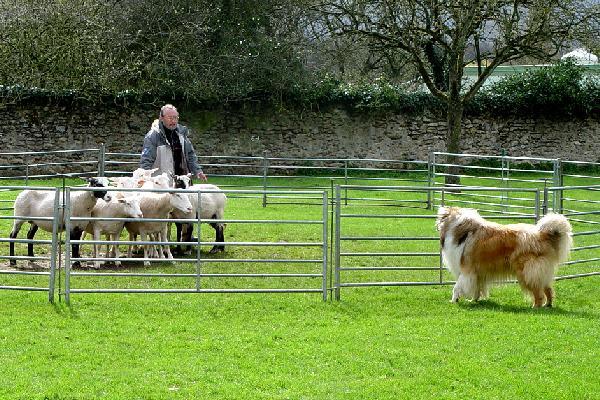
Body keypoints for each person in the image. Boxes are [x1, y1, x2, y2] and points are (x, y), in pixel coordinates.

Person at [140, 104, 207, 181]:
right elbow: (146, 160)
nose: (173, 121)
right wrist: (144, 179)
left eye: (175, 118)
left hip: (182, 183)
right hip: (162, 185)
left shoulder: (182, 134)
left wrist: (197, 171)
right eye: (170, 118)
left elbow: (190, 155)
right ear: (161, 118)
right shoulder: (152, 137)